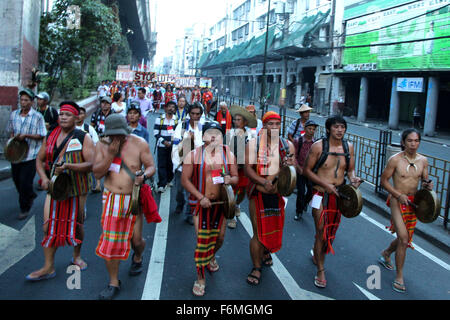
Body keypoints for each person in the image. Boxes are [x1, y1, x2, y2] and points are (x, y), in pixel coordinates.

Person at [26, 101, 94, 281]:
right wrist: (45, 178)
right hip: (55, 187)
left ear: (76, 117)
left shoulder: (82, 137)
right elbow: (39, 160)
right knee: (48, 225)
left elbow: (91, 164)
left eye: (68, 114)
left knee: (77, 224)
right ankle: (48, 266)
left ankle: (76, 256)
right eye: (61, 114)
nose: (63, 117)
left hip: (77, 187)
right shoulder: (50, 135)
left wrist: (69, 166)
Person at [93, 114, 158, 300]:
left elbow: (151, 166)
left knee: (136, 241)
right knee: (111, 243)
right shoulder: (102, 145)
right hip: (112, 199)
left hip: (134, 198)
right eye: (112, 135)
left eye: (120, 135)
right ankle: (113, 282)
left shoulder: (139, 143)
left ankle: (137, 256)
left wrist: (144, 175)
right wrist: (111, 154)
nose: (117, 139)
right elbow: (97, 174)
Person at [303, 115, 362, 289]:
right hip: (318, 195)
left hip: (338, 196)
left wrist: (354, 179)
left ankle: (317, 252)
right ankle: (321, 269)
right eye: (336, 127)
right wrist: (324, 184)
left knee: (330, 233)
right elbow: (306, 171)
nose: (340, 130)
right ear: (329, 129)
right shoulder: (318, 147)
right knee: (321, 230)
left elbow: (350, 170)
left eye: (342, 127)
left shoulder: (348, 147)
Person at [181, 121, 238, 297]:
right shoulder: (193, 154)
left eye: (217, 133)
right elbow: (185, 180)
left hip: (221, 205)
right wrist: (201, 197)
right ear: (203, 136)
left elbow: (236, 177)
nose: (214, 136)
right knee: (202, 242)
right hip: (201, 204)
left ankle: (211, 255)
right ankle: (200, 278)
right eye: (210, 133)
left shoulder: (228, 154)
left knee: (219, 238)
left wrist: (230, 179)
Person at [244, 111, 296, 285]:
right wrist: (262, 181)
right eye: (270, 124)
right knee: (258, 234)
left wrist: (290, 166)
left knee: (273, 229)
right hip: (258, 193)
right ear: (263, 126)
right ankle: (256, 267)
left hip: (277, 195)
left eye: (277, 124)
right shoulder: (253, 144)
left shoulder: (287, 146)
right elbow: (248, 169)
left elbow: (292, 173)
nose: (274, 127)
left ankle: (266, 251)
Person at [379, 128, 433, 293]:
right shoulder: (395, 160)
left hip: (413, 203)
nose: (413, 144)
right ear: (403, 142)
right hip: (397, 200)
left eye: (416, 141)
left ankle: (387, 252)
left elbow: (424, 181)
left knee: (405, 237)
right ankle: (399, 276)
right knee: (403, 239)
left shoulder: (423, 160)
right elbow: (384, 181)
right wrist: (397, 194)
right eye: (410, 141)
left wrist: (427, 185)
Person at [7, 89, 47, 220]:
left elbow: (42, 135)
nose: (23, 103)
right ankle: (29, 194)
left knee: (25, 182)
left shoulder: (37, 117)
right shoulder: (14, 115)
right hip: (17, 155)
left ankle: (24, 208)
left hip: (31, 155)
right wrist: (13, 143)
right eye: (21, 100)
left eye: (26, 100)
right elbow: (10, 131)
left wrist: (26, 136)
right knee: (17, 181)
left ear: (31, 102)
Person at [172, 102, 204, 225]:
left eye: (198, 114)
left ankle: (190, 214)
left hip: (196, 166)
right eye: (193, 114)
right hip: (181, 165)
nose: (195, 116)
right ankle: (180, 203)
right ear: (189, 114)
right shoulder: (182, 127)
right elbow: (176, 147)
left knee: (192, 191)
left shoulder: (203, 128)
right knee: (180, 190)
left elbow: (203, 147)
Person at [226, 106, 257, 229]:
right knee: (232, 191)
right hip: (233, 167)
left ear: (245, 122)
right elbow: (225, 150)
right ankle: (232, 216)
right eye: (235, 119)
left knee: (243, 191)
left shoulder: (251, 135)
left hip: (245, 168)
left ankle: (238, 205)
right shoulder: (229, 134)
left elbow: (254, 150)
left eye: (239, 120)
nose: (236, 122)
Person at [293, 119, 318, 220]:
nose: (311, 131)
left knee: (311, 191)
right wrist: (298, 168)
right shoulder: (298, 141)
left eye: (313, 129)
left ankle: (304, 204)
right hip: (301, 170)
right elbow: (293, 156)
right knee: (301, 191)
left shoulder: (316, 143)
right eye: (309, 128)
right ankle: (298, 211)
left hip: (311, 172)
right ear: (305, 129)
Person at [154, 101, 177, 193]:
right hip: (162, 146)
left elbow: (178, 133)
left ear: (175, 109)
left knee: (171, 164)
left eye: (173, 107)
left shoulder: (176, 120)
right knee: (162, 165)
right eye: (169, 107)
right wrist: (163, 141)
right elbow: (156, 133)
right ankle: (162, 184)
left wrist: (172, 142)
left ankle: (168, 180)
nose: (171, 108)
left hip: (172, 146)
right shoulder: (159, 119)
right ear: (165, 108)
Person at [76, 106, 100, 194]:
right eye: (77, 113)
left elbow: (96, 142)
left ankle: (96, 184)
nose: (78, 116)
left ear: (85, 115)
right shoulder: (70, 129)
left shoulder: (89, 128)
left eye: (81, 113)